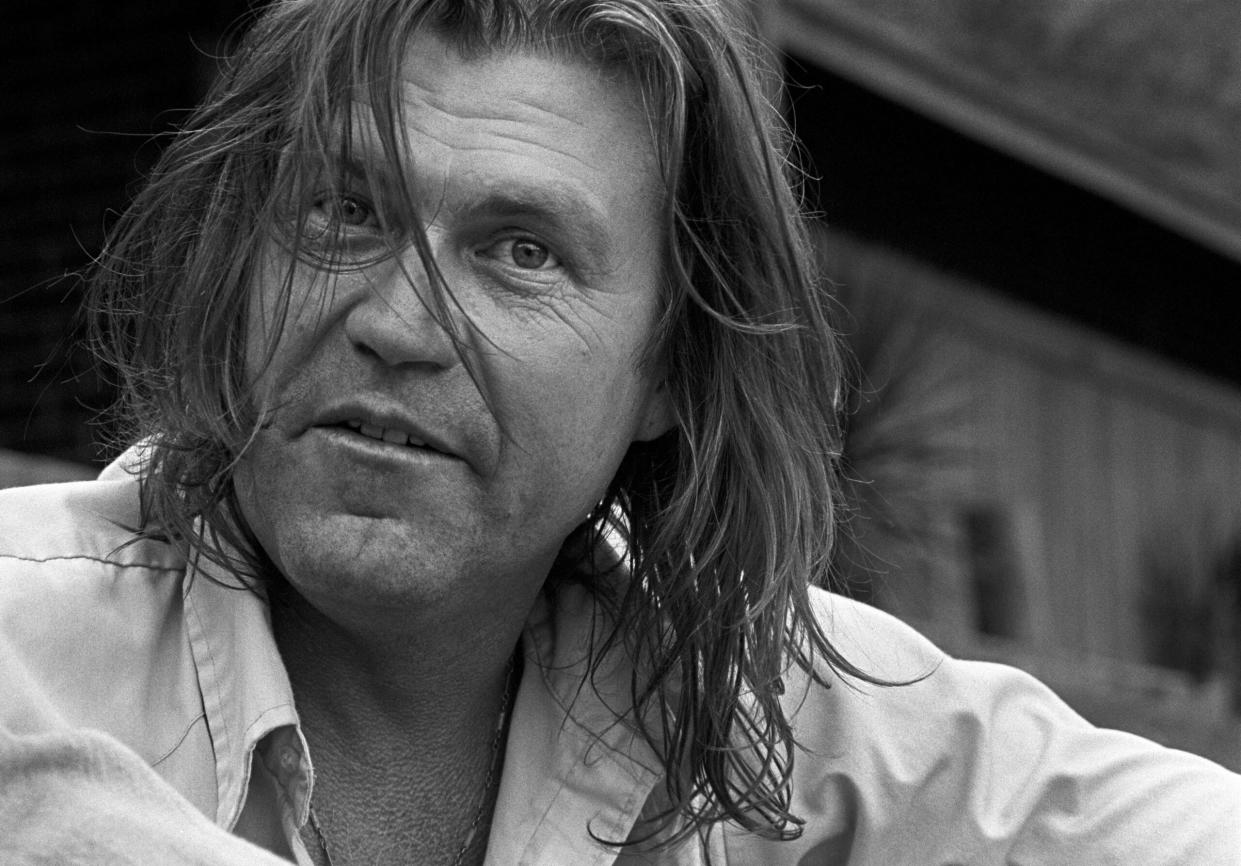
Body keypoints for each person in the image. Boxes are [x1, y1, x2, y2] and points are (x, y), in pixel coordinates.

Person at [1, 0, 1237, 863]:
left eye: (520, 251)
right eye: (343, 212)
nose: (394, 321)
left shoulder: (752, 709)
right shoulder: (29, 645)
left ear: (667, 366)